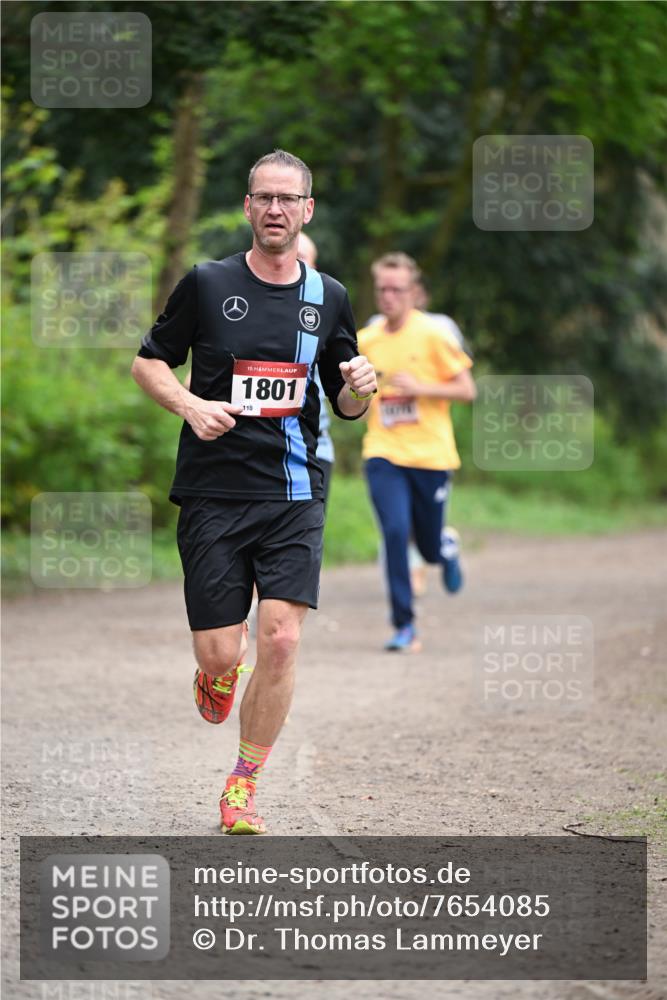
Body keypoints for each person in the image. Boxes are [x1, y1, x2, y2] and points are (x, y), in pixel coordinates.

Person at [131, 149, 376, 834]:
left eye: (286, 199)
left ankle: (241, 785)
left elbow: (343, 399)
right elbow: (147, 362)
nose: (274, 210)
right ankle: (213, 674)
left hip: (294, 491)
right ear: (247, 207)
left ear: (307, 209)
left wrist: (360, 392)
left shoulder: (327, 296)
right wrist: (187, 405)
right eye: (262, 198)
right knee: (222, 653)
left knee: (281, 640)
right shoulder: (207, 284)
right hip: (213, 490)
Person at [357, 252, 476, 652]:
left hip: (431, 456)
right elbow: (354, 398)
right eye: (382, 289)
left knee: (425, 547)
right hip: (383, 451)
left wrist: (421, 388)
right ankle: (404, 624)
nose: (388, 297)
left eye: (397, 289)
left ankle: (444, 546)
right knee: (393, 532)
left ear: (414, 292)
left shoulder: (433, 336)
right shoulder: (366, 340)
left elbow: (466, 390)